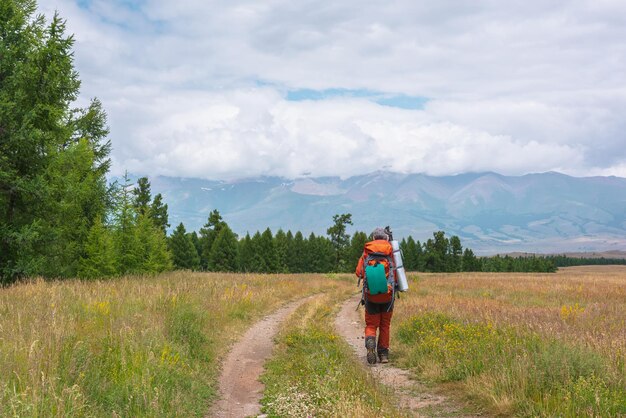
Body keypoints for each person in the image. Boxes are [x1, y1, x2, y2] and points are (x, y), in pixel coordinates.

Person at [355, 227, 397, 364]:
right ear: (386, 238)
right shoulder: (391, 251)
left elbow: (359, 272)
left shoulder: (367, 252)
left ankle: (370, 339)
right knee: (385, 324)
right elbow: (397, 273)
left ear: (373, 238)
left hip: (370, 295)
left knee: (371, 324)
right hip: (388, 295)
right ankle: (383, 354)